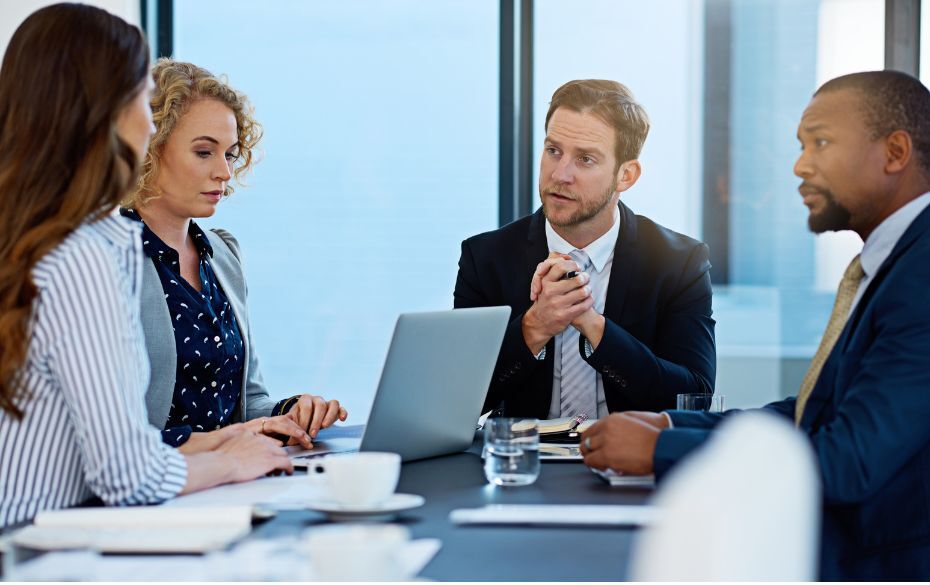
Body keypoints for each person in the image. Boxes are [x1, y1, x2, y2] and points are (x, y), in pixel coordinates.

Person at [580, 71, 930, 580]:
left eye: (822, 143)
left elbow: (849, 461)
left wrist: (662, 450)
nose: (800, 166)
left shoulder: (920, 276)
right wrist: (676, 424)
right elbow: (813, 415)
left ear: (895, 153)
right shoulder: (894, 264)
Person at [0, 4, 293, 528]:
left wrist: (229, 440)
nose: (148, 114)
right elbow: (127, 475)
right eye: (141, 96)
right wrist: (228, 461)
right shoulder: (86, 255)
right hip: (40, 551)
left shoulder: (33, 238)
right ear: (108, 113)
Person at [119, 59, 347, 452]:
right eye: (205, 152)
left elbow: (246, 403)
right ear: (149, 149)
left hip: (230, 481)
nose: (224, 171)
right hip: (160, 491)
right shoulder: (105, 261)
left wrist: (288, 415)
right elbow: (113, 439)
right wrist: (227, 442)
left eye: (230, 153)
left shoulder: (222, 254)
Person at [454, 79, 715, 419]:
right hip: (521, 464)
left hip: (630, 464)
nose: (560, 174)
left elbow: (692, 397)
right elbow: (459, 397)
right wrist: (535, 326)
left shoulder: (679, 262)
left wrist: (593, 325)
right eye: (553, 151)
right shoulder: (486, 257)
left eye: (586, 159)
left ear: (626, 176)